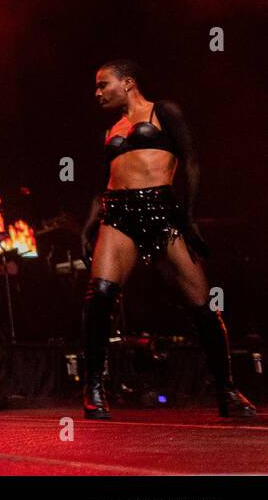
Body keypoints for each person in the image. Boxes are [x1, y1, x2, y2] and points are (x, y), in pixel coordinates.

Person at [79, 59, 255, 419]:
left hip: (161, 208)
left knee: (201, 305)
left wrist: (188, 215)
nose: (97, 93)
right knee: (99, 296)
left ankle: (227, 390)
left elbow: (190, 161)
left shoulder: (165, 112)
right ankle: (94, 387)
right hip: (118, 213)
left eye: (103, 85)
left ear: (127, 82)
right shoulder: (112, 128)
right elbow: (106, 183)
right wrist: (88, 225)